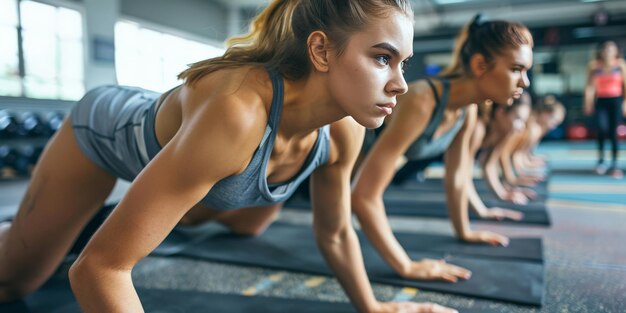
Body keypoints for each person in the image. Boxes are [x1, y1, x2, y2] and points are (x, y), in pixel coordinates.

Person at [0, 1, 458, 312]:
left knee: (250, 219)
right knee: (17, 282)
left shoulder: (345, 130)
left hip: (195, 144)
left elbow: (336, 232)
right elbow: (100, 268)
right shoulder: (238, 114)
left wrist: (373, 307)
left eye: (403, 63)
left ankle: (126, 212)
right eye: (382, 58)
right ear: (320, 49)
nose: (400, 82)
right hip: (102, 130)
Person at [352, 13, 534, 264]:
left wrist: (465, 231)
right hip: (320, 171)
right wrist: (406, 266)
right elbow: (364, 195)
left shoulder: (466, 111)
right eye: (516, 69)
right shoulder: (422, 100)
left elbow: (458, 177)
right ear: (480, 65)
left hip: (346, 179)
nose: (524, 81)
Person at [584, 40, 626, 179]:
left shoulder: (620, 65)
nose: (608, 51)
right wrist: (588, 102)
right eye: (605, 49)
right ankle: (601, 161)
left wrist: (625, 102)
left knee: (614, 132)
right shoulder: (594, 66)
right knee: (601, 129)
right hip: (601, 100)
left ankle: (614, 164)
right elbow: (590, 86)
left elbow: (625, 85)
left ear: (615, 51)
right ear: (601, 52)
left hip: (616, 100)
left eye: (611, 49)